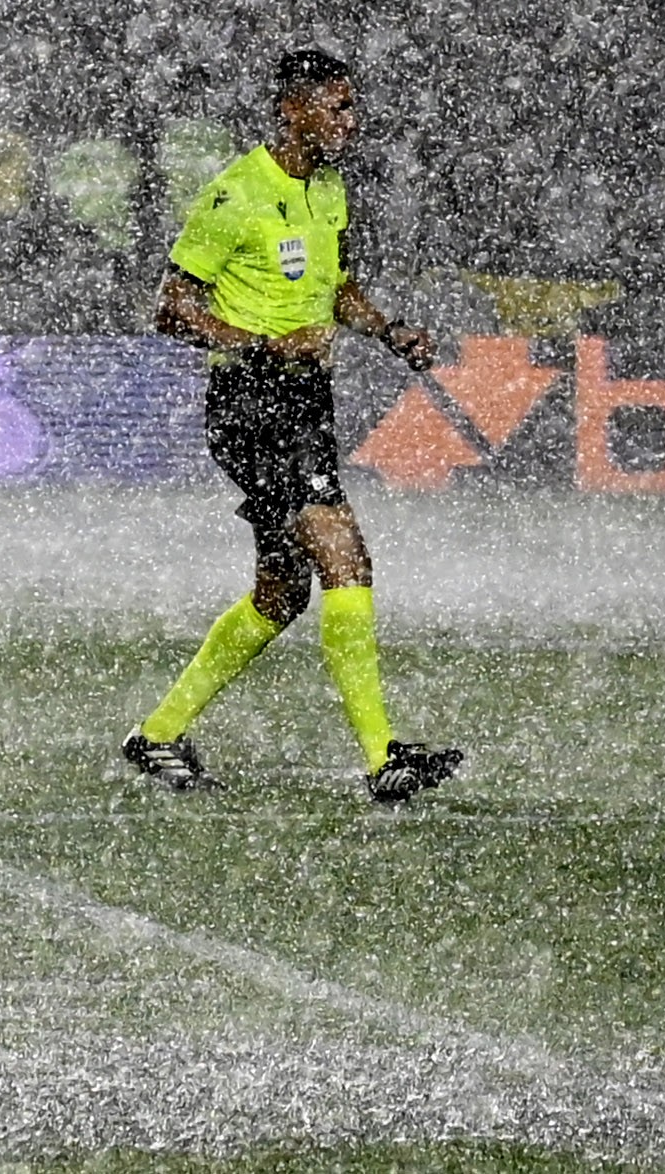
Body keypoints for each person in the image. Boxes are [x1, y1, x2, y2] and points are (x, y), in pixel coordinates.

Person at [122, 48, 463, 804]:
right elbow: (171, 308)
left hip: (303, 402)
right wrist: (261, 345)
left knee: (281, 593)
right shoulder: (235, 194)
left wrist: (389, 330)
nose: (351, 121)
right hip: (251, 405)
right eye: (336, 107)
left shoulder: (330, 190)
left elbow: (336, 288)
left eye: (351, 106)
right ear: (292, 108)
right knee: (345, 559)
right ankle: (383, 758)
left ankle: (158, 734)